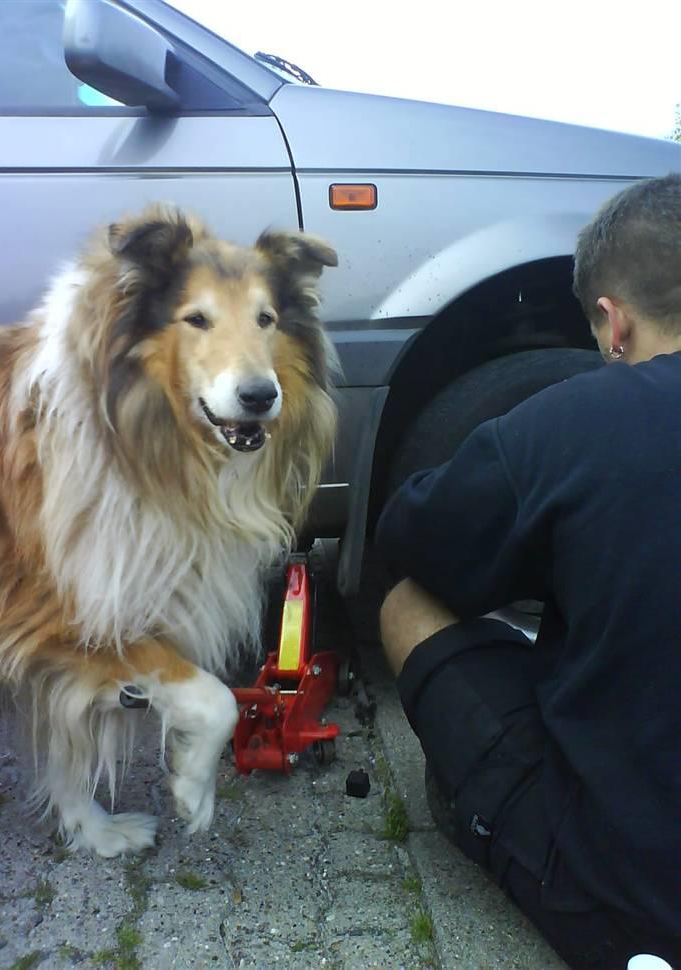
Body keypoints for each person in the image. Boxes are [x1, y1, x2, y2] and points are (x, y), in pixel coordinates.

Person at [376, 173, 681, 970]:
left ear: (613, 325)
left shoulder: (575, 422)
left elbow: (415, 538)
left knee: (407, 605)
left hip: (629, 891)